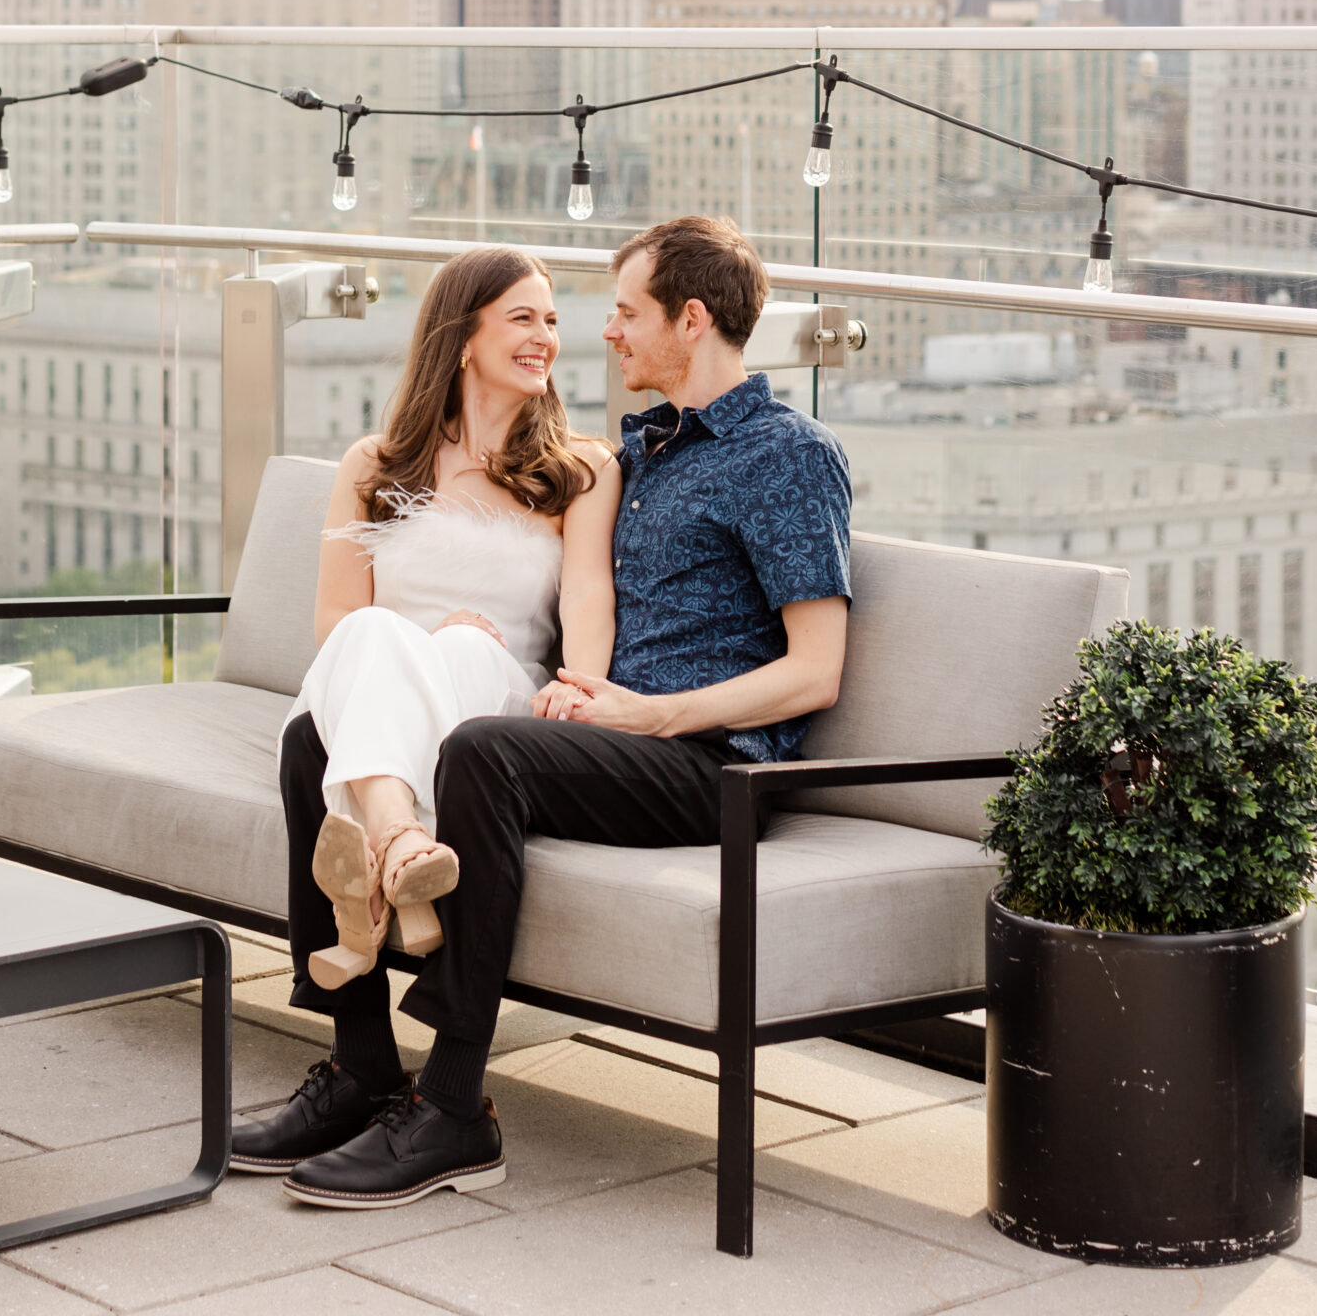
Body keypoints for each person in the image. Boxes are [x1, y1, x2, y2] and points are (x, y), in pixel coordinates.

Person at [236, 213, 853, 1210]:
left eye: (621, 312)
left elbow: (816, 671)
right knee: (318, 733)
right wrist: (581, 690)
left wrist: (651, 712)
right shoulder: (646, 452)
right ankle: (362, 1066)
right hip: (599, 729)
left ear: (689, 320)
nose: (600, 334)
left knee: (485, 752)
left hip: (708, 763)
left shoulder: (786, 454)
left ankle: (454, 1108)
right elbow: (577, 614)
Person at [230, 242, 617, 1173]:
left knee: (442, 651)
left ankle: (376, 895)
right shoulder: (375, 461)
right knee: (375, 643)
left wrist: (579, 686)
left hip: (494, 706)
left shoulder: (580, 470)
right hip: (383, 698)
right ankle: (401, 849)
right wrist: (419, 635)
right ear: (463, 329)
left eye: (553, 320)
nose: (545, 338)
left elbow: (588, 611)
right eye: (522, 317)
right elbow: (336, 620)